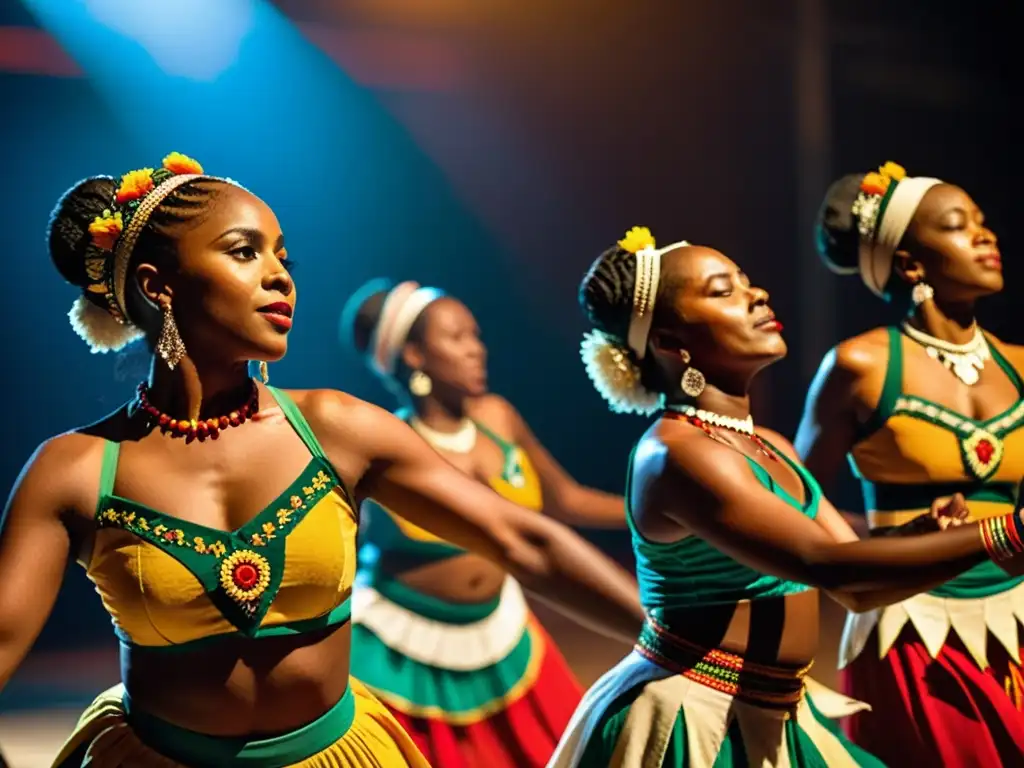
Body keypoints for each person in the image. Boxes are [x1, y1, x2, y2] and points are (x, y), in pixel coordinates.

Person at [0, 153, 643, 768]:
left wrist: (668, 644)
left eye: (283, 257)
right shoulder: (76, 471)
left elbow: (523, 539)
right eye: (244, 251)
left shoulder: (338, 429)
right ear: (157, 286)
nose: (280, 276)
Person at [547, 226, 1024, 768]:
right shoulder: (678, 454)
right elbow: (836, 569)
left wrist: (917, 537)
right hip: (696, 723)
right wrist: (1005, 534)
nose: (757, 295)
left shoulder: (765, 444)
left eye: (747, 283)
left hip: (775, 713)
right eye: (723, 291)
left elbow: (859, 582)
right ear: (668, 344)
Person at [340, 279, 626, 768]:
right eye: (457, 338)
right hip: (399, 647)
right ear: (413, 355)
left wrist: (664, 515)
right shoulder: (388, 443)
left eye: (476, 335)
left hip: (501, 631)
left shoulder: (499, 417)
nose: (477, 349)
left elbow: (567, 500)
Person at [795, 161, 1024, 765]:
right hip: (911, 627)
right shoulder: (859, 367)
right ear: (910, 264)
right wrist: (870, 548)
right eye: (958, 226)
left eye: (983, 222)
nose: (985, 236)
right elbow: (793, 500)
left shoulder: (1021, 367)